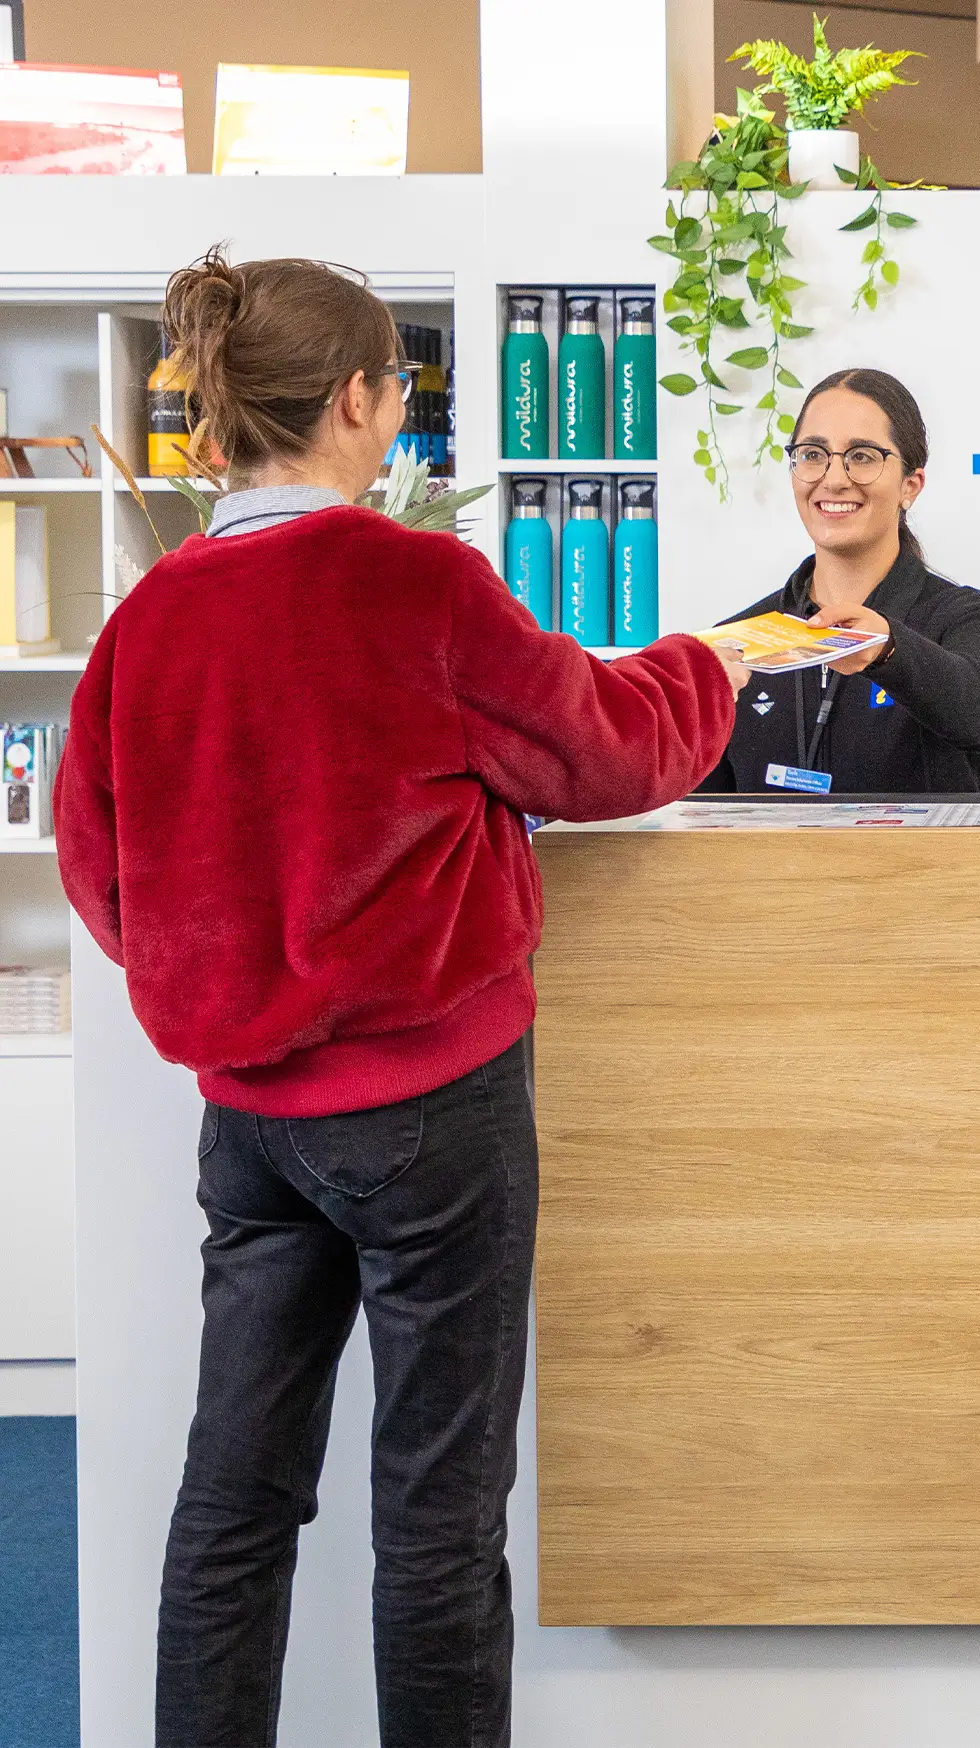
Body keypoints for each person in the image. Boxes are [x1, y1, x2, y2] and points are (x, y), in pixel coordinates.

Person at [52, 247, 747, 1748]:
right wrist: (708, 662)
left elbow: (99, 867)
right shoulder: (417, 581)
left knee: (233, 1501)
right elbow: (607, 753)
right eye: (399, 396)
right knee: (435, 1516)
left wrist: (229, 975)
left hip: (247, 1129)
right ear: (362, 401)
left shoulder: (150, 616)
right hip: (434, 1117)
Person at [697, 368, 980, 795]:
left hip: (925, 865)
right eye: (813, 454)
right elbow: (702, 816)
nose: (833, 479)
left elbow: (979, 715)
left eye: (862, 456)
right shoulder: (740, 639)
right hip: (774, 865)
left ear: (911, 485)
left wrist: (887, 650)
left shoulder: (970, 620)